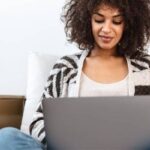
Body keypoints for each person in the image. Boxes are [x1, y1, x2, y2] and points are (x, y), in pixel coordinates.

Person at [0, 0, 150, 149]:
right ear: (87, 20)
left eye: (117, 21)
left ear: (128, 24)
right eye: (99, 20)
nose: (106, 29)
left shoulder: (144, 67)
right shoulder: (66, 68)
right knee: (7, 137)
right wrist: (66, 143)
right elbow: (38, 121)